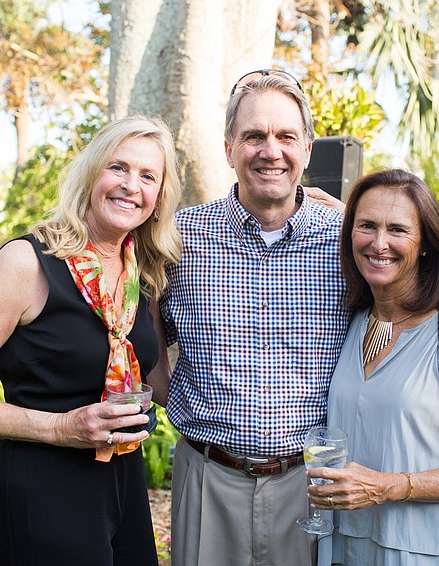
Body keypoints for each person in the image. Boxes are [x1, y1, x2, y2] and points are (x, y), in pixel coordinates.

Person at [0, 115, 182, 565]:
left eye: (147, 176)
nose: (130, 185)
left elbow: (155, 374)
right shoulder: (25, 263)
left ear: (158, 197)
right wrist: (61, 428)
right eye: (117, 167)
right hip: (44, 489)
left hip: (124, 482)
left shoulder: (141, 271)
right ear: (91, 174)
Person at [156, 69, 350, 566]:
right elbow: (138, 335)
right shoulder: (179, 239)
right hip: (208, 481)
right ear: (229, 150)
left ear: (307, 149)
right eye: (254, 136)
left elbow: (419, 296)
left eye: (286, 136)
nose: (271, 151)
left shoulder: (349, 242)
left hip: (313, 487)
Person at [306, 169, 439, 565]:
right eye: (367, 226)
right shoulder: (350, 321)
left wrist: (390, 486)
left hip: (429, 550)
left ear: (425, 245)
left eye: (398, 229)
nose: (379, 243)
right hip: (348, 547)